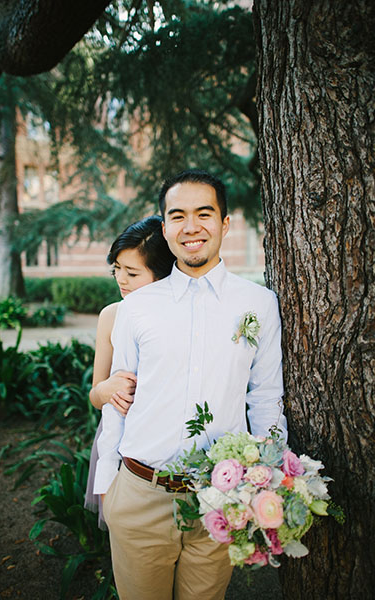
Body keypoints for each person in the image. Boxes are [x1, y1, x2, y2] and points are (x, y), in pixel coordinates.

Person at [101, 169, 287, 599]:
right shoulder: (137, 308)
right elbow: (118, 397)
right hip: (139, 495)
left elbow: (265, 396)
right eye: (178, 215)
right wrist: (108, 492)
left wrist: (268, 479)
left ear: (224, 223)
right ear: (164, 227)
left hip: (220, 499)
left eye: (204, 214)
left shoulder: (259, 304)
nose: (191, 227)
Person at [84, 215, 174, 526]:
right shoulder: (111, 315)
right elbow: (94, 395)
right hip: (116, 441)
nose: (121, 279)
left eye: (132, 273)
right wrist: (105, 390)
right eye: (117, 269)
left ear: (163, 275)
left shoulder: (179, 321)